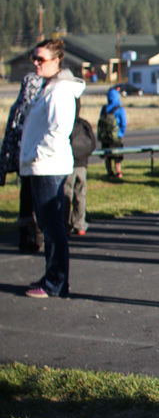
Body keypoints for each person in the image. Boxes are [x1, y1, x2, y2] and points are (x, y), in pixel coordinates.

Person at [19, 39, 84, 298]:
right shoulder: (49, 88)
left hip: (48, 165)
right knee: (48, 226)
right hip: (42, 165)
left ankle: (56, 282)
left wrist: (37, 154)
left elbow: (58, 129)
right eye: (33, 58)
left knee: (53, 227)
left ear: (57, 60)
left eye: (41, 59)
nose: (36, 63)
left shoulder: (59, 91)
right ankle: (53, 277)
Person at [0, 72, 44, 253]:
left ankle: (27, 237)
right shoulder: (37, 106)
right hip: (36, 160)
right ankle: (36, 236)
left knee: (26, 200)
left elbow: (9, 138)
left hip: (23, 161)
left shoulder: (18, 107)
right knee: (38, 200)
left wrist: (5, 164)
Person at [64, 102, 97, 236]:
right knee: (80, 195)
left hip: (68, 165)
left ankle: (65, 224)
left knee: (67, 195)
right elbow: (93, 144)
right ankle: (79, 223)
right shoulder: (84, 124)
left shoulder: (65, 124)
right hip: (82, 165)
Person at [98, 87, 127, 178]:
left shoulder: (104, 108)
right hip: (116, 136)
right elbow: (123, 123)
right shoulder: (119, 109)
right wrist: (121, 134)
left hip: (105, 137)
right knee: (117, 155)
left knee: (107, 155)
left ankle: (109, 172)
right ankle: (118, 172)